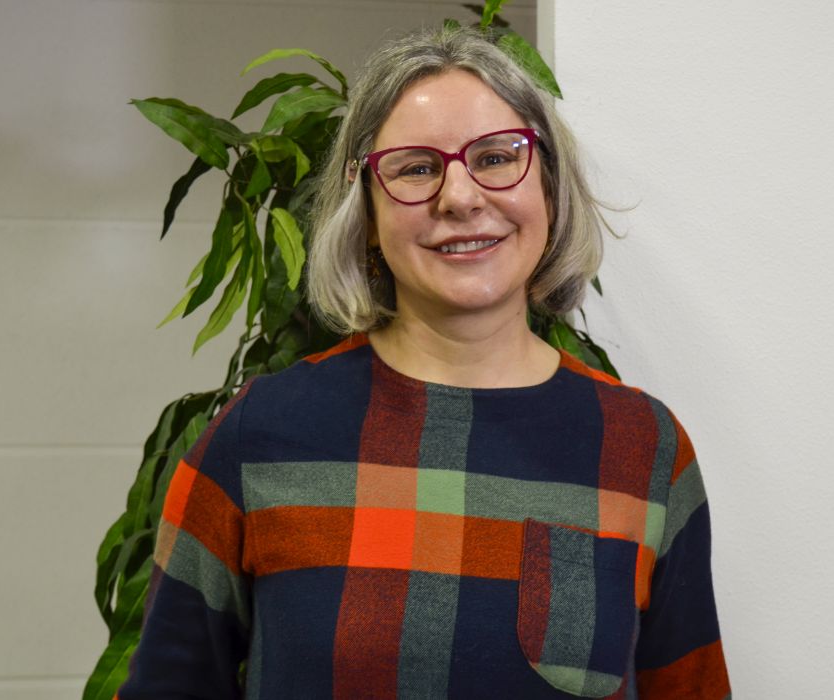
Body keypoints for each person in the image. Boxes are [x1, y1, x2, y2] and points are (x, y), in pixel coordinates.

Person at [118, 26, 731, 699]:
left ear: (550, 189)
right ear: (366, 210)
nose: (460, 197)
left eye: (496, 157)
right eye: (415, 168)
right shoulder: (258, 434)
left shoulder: (643, 448)